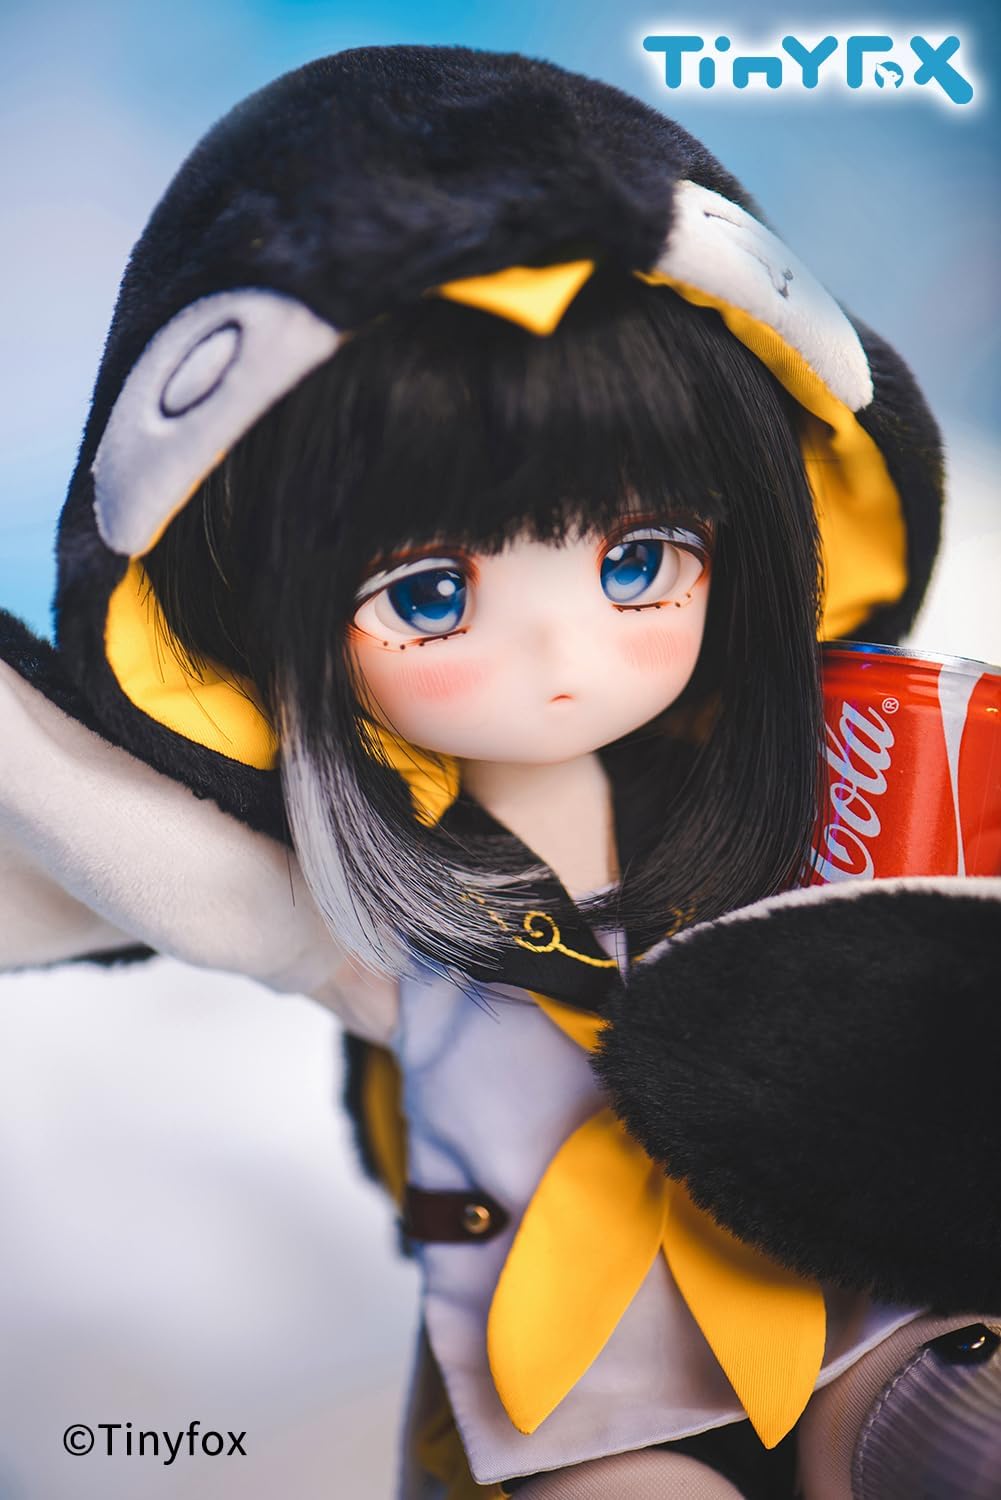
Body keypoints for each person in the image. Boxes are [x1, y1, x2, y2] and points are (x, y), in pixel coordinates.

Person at [1, 46, 998, 1500]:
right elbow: (75, 803)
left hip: (836, 1283)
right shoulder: (356, 904)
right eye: (428, 595)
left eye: (640, 561)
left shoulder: (816, 785)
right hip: (575, 1367)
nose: (562, 655)